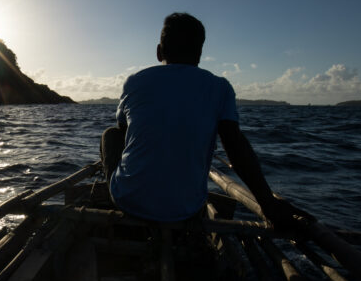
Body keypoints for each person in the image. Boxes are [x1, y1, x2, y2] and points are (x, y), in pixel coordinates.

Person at [101, 12, 308, 230]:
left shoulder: (134, 82)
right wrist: (268, 203)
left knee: (110, 135)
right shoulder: (220, 87)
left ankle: (115, 192)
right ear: (199, 54)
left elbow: (123, 131)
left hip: (130, 202)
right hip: (185, 210)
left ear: (159, 51)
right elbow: (236, 150)